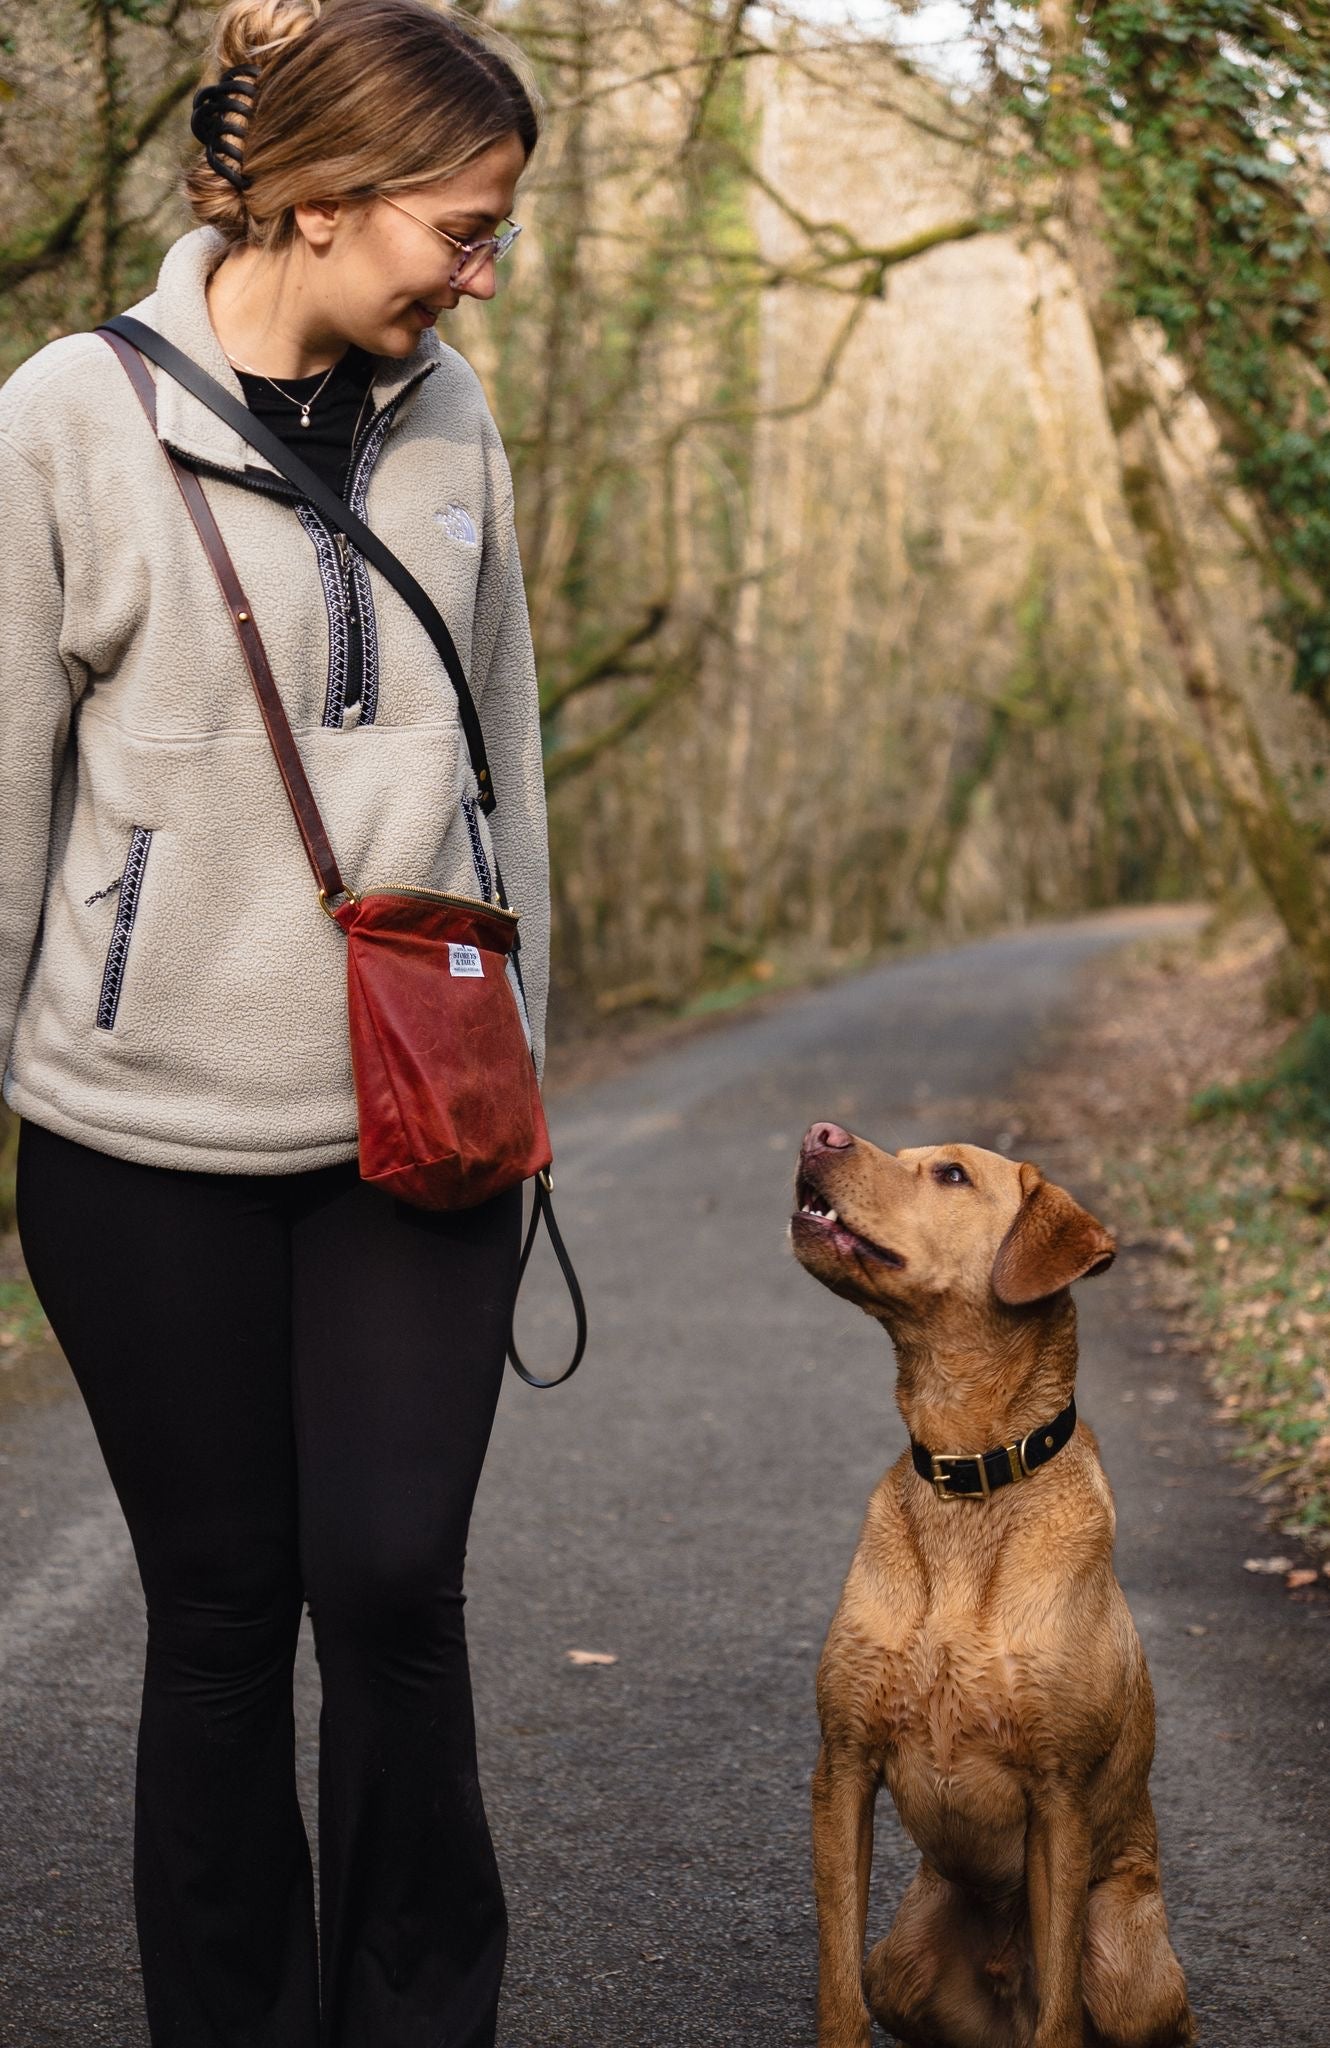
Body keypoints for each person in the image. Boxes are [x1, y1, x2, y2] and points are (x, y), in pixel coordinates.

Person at [0, 2, 548, 2041]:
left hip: (419, 1130)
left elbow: (504, 770)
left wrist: (525, 1054)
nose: (479, 269)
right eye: (460, 226)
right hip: (136, 1144)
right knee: (222, 1620)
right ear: (321, 199)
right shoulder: (64, 414)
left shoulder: (458, 423)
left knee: (396, 1589)